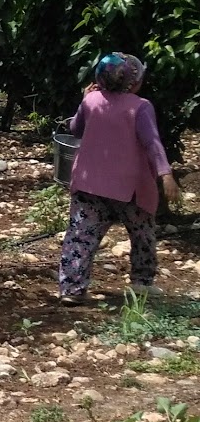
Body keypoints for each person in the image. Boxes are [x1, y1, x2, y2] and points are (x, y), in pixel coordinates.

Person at [58, 52, 179, 306]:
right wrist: (165, 174)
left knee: (80, 235)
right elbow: (151, 142)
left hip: (89, 183)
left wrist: (84, 100)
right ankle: (141, 282)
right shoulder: (140, 107)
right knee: (142, 234)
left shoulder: (91, 101)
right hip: (129, 187)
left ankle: (71, 287)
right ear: (134, 82)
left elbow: (75, 130)